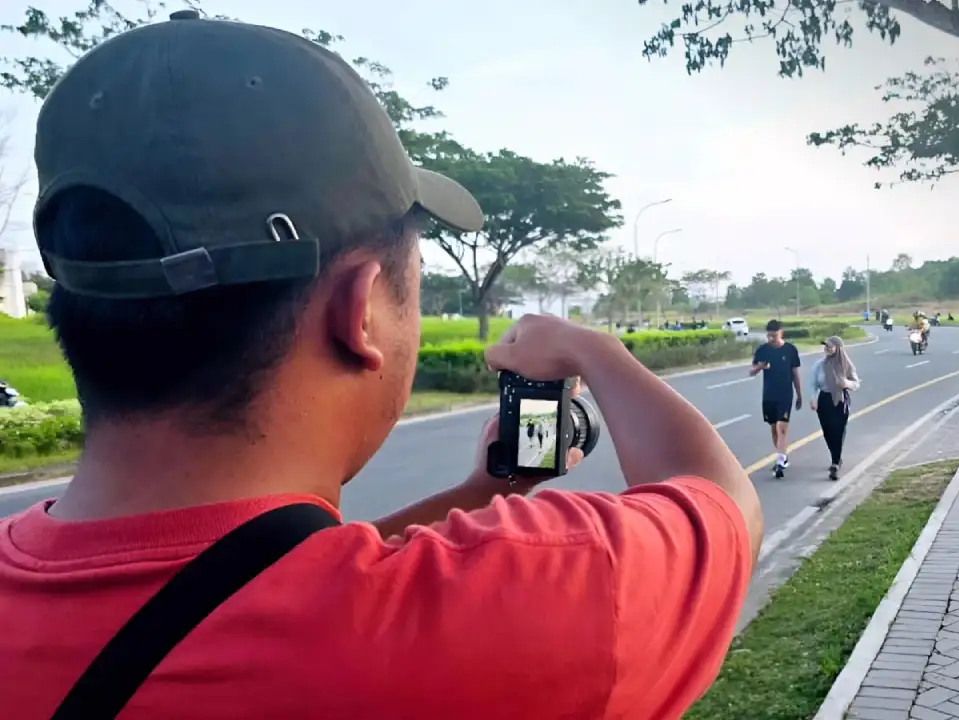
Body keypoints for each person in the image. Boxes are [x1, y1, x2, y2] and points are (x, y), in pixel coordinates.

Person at [0, 13, 765, 719]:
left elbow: (256, 576)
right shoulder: (534, 607)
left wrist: (476, 493)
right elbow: (724, 507)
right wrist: (591, 350)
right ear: (359, 312)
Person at [749, 319, 802, 478]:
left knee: (781, 428)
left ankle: (780, 461)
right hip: (769, 395)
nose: (771, 339)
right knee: (774, 430)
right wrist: (760, 367)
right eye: (769, 336)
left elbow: (795, 374)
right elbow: (751, 372)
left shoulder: (790, 350)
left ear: (781, 332)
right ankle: (782, 456)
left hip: (785, 394)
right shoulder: (762, 350)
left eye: (774, 335)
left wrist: (799, 394)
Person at [809, 337, 860, 480]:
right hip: (824, 399)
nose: (827, 348)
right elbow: (813, 384)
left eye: (830, 346)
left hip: (840, 400)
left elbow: (856, 384)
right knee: (828, 432)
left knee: (839, 430)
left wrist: (847, 384)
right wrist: (813, 399)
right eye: (826, 346)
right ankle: (836, 457)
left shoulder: (846, 365)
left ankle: (835, 463)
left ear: (838, 348)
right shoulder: (819, 365)